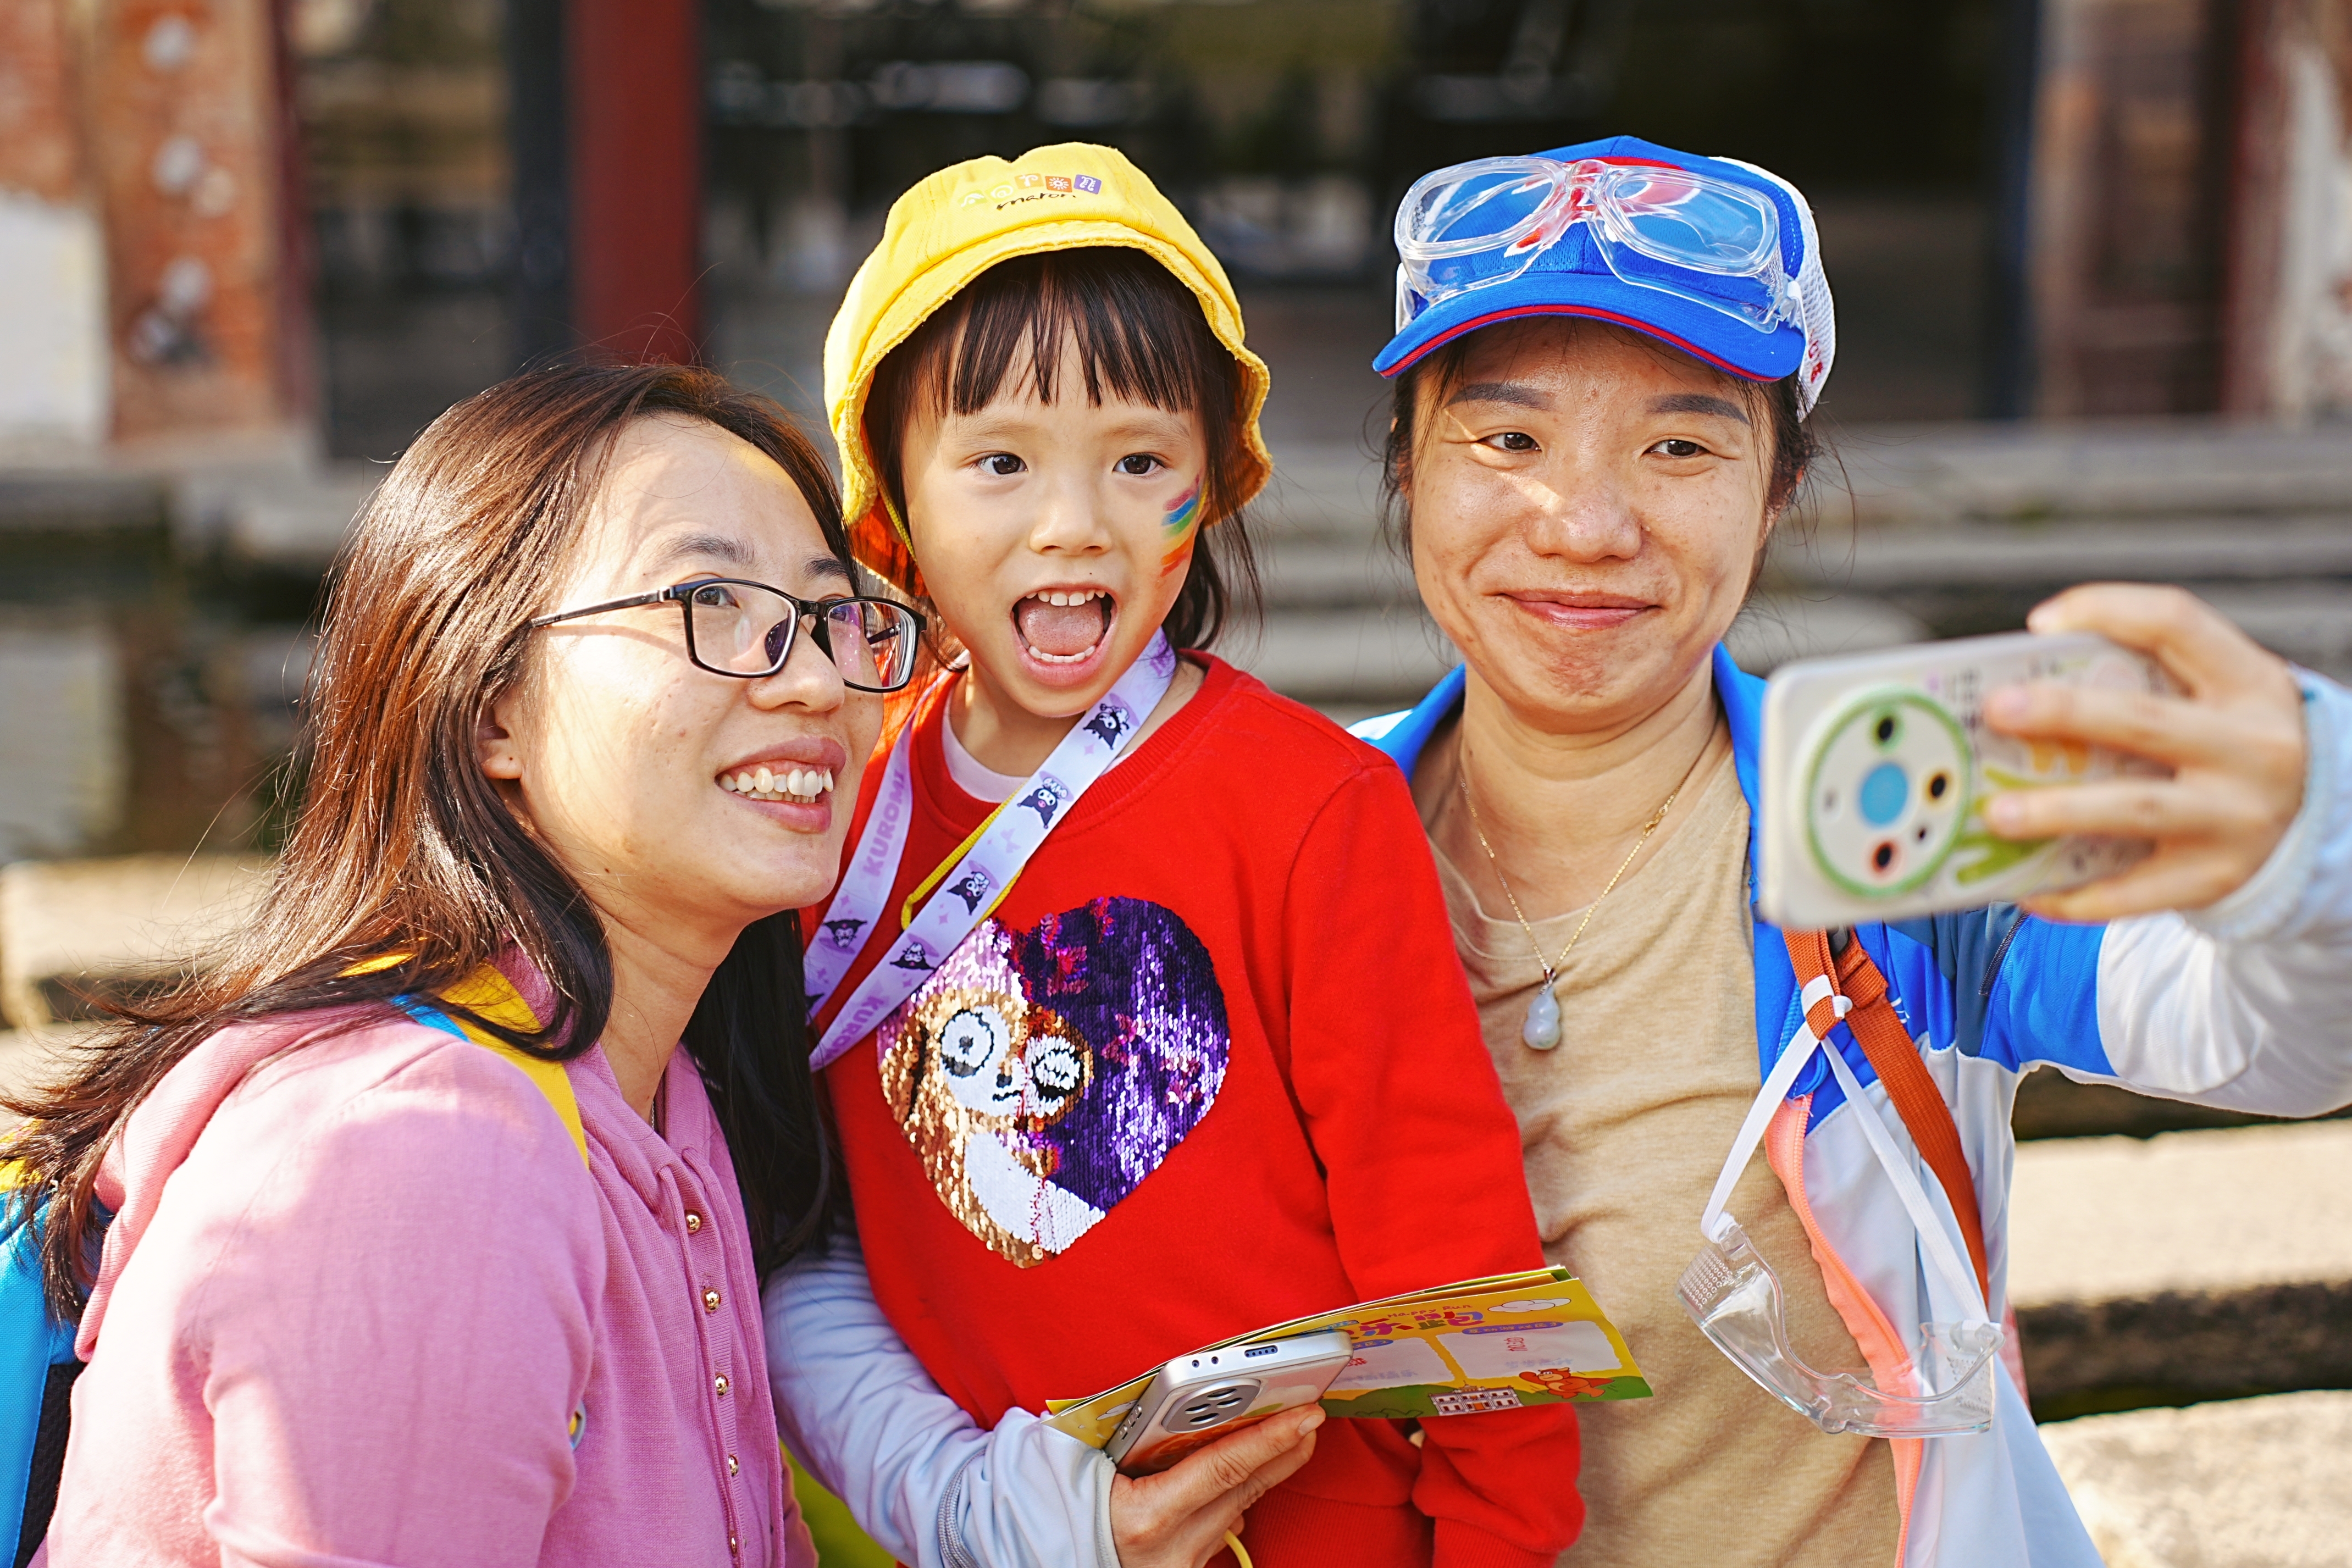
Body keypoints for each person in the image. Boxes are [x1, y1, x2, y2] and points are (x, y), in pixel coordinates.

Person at [1345, 136, 2352, 1565]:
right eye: (1505, 439)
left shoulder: (1901, 843)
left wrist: (2314, 838)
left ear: (1776, 491)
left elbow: (2278, 1044)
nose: (1584, 522)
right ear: (1408, 466)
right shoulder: (1290, 839)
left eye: (1680, 444)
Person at [765, 143, 1581, 1568]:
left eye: (1140, 460)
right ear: (888, 500)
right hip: (987, 1526)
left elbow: (1454, 1238)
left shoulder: (1314, 806)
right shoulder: (834, 806)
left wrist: (1500, 1540)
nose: (1072, 521)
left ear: (1213, 483)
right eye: (999, 460)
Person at [8, 361, 923, 1565]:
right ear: (493, 709)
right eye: (711, 599)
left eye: (829, 614)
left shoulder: (663, 1092)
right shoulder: (422, 1154)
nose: (815, 676)